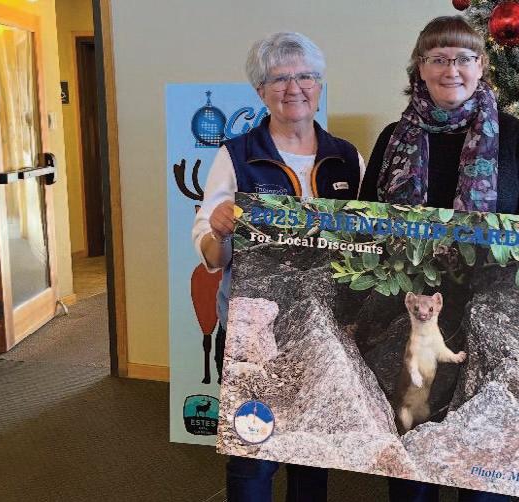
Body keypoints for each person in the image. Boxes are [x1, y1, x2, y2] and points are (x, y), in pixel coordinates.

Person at [359, 15, 519, 502]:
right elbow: (365, 222)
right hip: (410, 310)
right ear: (419, 68)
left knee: (481, 459)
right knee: (413, 445)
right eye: (438, 58)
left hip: (488, 308)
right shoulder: (392, 138)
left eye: (463, 58)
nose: (451, 69)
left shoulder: (513, 137)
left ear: (481, 65)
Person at [192, 31, 365, 502]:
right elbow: (211, 255)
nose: (295, 88)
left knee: (312, 454)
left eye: (305, 76)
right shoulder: (236, 155)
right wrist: (219, 231)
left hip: (324, 331)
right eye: (279, 79)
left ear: (319, 84)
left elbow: (366, 245)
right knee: (253, 455)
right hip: (253, 335)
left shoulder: (347, 157)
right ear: (260, 91)